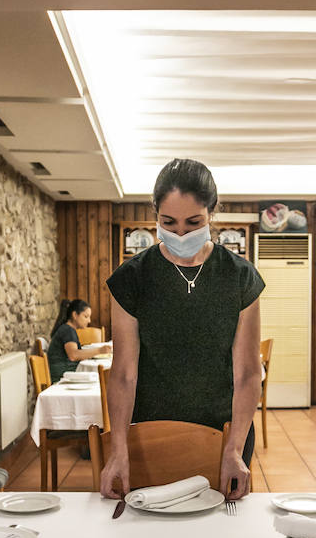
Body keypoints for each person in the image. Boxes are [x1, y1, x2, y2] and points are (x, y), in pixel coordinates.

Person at [99, 158, 264, 501]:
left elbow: (248, 373)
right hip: (151, 434)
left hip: (224, 435)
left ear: (212, 214)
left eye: (193, 223)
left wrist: (234, 449)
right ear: (155, 214)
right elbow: (124, 374)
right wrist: (118, 449)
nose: (181, 234)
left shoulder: (238, 276)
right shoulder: (132, 278)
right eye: (168, 223)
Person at [46, 299, 108, 382]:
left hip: (65, 374)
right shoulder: (68, 331)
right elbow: (73, 355)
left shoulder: (67, 328)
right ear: (75, 315)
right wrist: (100, 350)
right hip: (61, 378)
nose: (89, 321)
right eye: (86, 316)